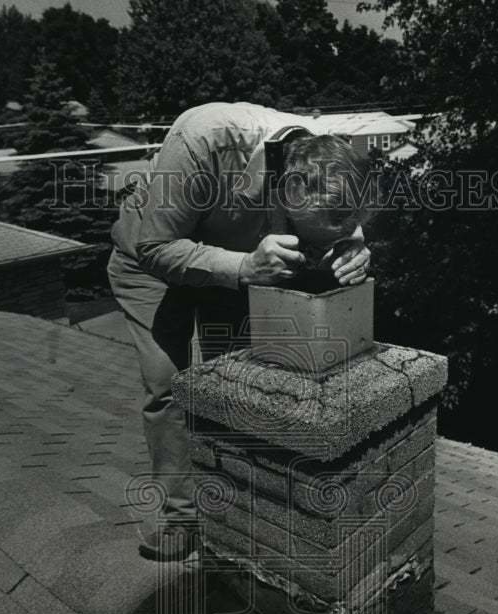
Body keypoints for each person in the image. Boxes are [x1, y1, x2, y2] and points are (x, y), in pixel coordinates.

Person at [107, 101, 372, 562]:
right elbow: (155, 246)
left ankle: (230, 510)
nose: (310, 248)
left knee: (230, 383)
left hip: (232, 264)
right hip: (149, 258)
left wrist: (354, 249)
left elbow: (341, 224)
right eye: (304, 233)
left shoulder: (321, 156)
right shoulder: (206, 137)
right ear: (284, 196)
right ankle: (180, 517)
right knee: (169, 385)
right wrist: (246, 265)